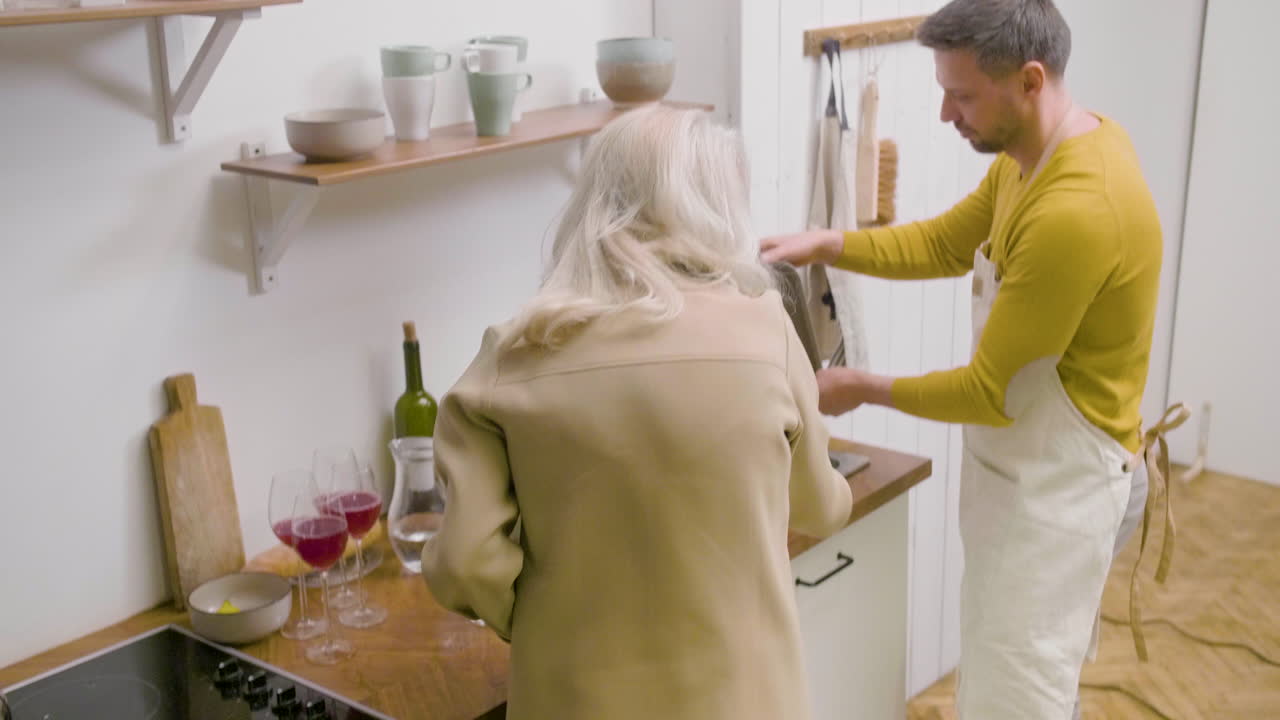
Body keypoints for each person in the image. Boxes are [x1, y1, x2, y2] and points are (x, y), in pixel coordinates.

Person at [761, 0, 1162, 717]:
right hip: (1028, 476)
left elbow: (988, 393)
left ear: (1031, 80)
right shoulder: (1032, 159)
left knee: (1023, 693)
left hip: (1063, 491)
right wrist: (826, 243)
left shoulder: (1077, 207)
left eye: (963, 94)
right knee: (1007, 680)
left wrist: (855, 386)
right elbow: (945, 244)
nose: (946, 114)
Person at [421, 105, 854, 720]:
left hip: (573, 697)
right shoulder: (767, 332)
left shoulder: (514, 349)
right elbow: (818, 505)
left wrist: (550, 619)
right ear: (717, 209)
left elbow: (463, 560)